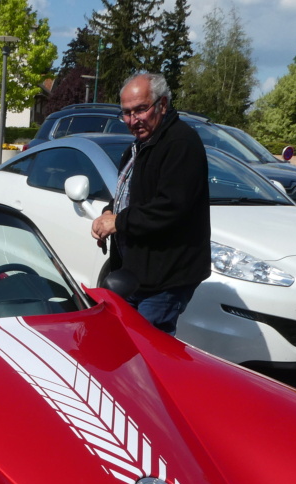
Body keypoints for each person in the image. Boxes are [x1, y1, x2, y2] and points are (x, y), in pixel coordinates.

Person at [90, 72, 210, 336]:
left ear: (162, 105)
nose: (133, 120)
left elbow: (170, 207)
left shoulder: (180, 143)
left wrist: (119, 222)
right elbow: (131, 194)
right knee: (126, 347)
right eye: (127, 113)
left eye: (141, 110)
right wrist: (109, 211)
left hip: (163, 280)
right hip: (135, 276)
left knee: (148, 353)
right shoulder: (141, 144)